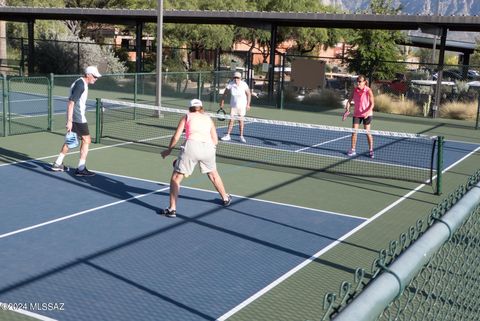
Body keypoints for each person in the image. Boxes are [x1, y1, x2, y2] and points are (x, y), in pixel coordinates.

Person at [159, 99, 232, 218]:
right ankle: (225, 198)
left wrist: (169, 150)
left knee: (176, 178)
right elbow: (215, 141)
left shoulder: (186, 117)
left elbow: (176, 136)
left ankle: (172, 209)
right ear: (201, 108)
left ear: (190, 108)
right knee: (213, 175)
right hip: (209, 148)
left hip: (191, 146)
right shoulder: (209, 119)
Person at [51, 65, 101, 176]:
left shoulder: (80, 82)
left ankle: (58, 163)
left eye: (96, 77)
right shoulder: (80, 85)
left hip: (75, 116)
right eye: (94, 76)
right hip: (78, 117)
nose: (95, 78)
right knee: (87, 140)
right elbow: (71, 102)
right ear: (88, 75)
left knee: (71, 139)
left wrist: (70, 119)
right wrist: (69, 120)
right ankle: (81, 168)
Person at [344, 74, 375, 158]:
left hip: (367, 114)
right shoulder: (354, 90)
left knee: (367, 132)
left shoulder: (368, 90)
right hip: (357, 114)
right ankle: (353, 149)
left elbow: (372, 104)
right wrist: (347, 109)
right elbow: (349, 100)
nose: (358, 83)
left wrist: (367, 113)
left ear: (364, 82)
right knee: (354, 132)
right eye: (357, 81)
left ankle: (371, 150)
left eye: (360, 81)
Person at [220, 71, 252, 143]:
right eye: (235, 77)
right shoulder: (231, 84)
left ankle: (241, 136)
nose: (236, 79)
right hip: (233, 107)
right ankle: (228, 135)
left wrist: (248, 104)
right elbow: (225, 93)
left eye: (237, 77)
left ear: (240, 78)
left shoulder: (244, 84)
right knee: (231, 120)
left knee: (241, 121)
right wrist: (222, 101)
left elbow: (249, 94)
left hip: (242, 106)